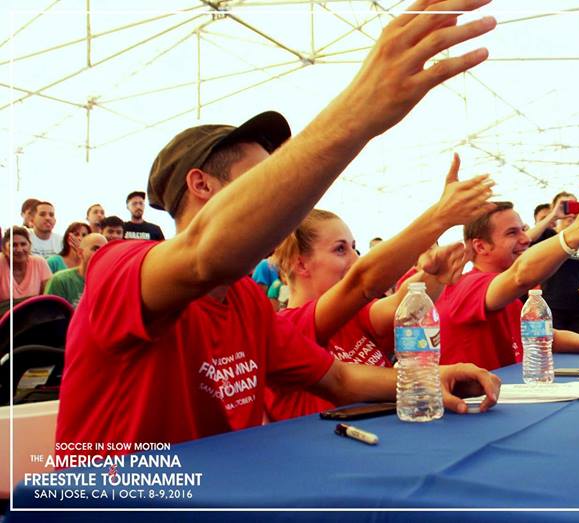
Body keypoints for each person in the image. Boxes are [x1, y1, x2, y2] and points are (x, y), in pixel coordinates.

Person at [55, 1, 502, 459]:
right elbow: (203, 254)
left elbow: (339, 378)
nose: (291, 202)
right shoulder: (117, 268)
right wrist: (357, 115)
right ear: (201, 184)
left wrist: (427, 378)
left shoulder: (248, 302)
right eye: (266, 180)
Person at [264, 157, 494, 420]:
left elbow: (401, 304)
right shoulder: (289, 327)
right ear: (301, 264)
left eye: (353, 247)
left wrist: (435, 276)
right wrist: (440, 217)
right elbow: (362, 281)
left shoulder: (355, 319)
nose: (355, 258)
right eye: (340, 249)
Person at [436, 185, 579, 371]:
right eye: (512, 233)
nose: (526, 239)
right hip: (471, 399)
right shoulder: (467, 285)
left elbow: (544, 335)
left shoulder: (508, 300)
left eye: (523, 230)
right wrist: (573, 235)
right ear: (481, 247)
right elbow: (520, 276)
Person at [531, 191, 579, 335]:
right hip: (552, 307)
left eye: (574, 207)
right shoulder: (547, 235)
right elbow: (527, 239)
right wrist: (553, 215)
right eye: (565, 206)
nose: (570, 213)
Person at [43, 234, 107, 307]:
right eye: (95, 249)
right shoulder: (60, 280)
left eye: (105, 250)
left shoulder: (110, 283)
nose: (101, 253)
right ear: (80, 253)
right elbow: (50, 315)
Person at [1, 226, 53, 303]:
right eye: (13, 245)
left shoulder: (39, 263)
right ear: (4, 249)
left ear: (30, 246)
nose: (19, 250)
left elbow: (49, 296)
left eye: (23, 244)